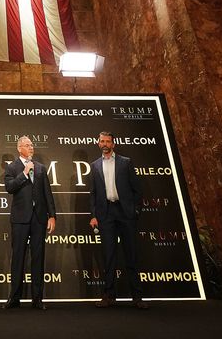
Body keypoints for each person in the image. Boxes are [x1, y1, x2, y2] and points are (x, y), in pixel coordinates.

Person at [89, 131, 149, 309]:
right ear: (99, 144)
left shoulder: (126, 162)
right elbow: (93, 193)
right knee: (109, 257)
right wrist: (94, 215)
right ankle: (109, 295)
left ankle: (137, 297)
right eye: (102, 141)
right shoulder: (95, 165)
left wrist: (135, 211)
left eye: (108, 141)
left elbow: (137, 189)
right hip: (106, 214)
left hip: (125, 213)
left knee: (131, 255)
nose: (105, 144)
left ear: (113, 144)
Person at [3, 136, 56, 310]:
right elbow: (10, 187)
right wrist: (24, 173)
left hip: (39, 218)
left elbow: (47, 193)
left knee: (38, 258)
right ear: (19, 149)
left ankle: (37, 298)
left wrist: (52, 216)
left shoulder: (41, 168)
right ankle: (14, 298)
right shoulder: (12, 167)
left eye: (32, 145)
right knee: (18, 258)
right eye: (27, 145)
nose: (31, 148)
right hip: (20, 218)